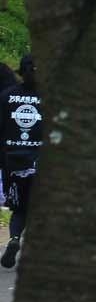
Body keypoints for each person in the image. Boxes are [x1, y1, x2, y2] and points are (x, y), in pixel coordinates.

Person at [2, 55, 43, 270]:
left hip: (13, 163)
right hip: (41, 163)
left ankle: (14, 239)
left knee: (20, 209)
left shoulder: (6, 96)